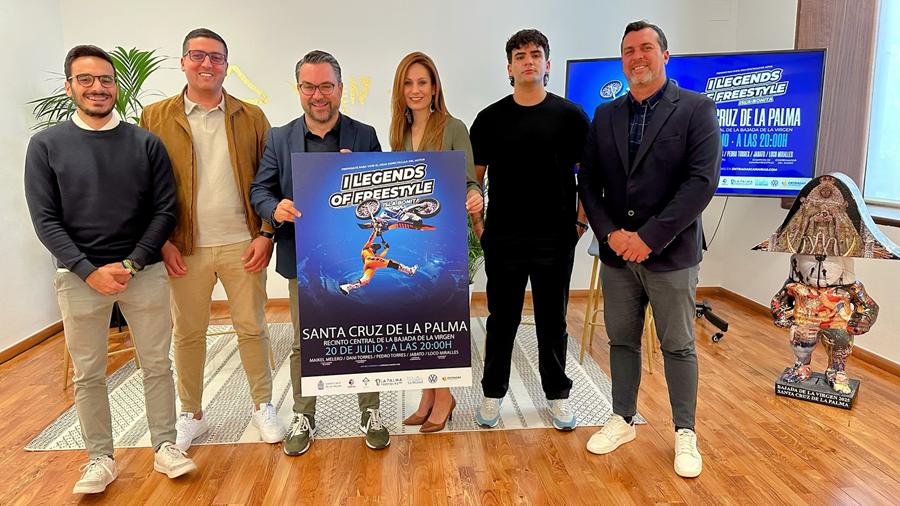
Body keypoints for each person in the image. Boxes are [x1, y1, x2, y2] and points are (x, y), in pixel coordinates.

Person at [24, 45, 196, 495]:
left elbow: (165, 210)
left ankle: (165, 445)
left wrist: (132, 262)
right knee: (88, 373)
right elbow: (45, 219)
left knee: (157, 364)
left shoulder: (145, 143)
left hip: (144, 272)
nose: (97, 87)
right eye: (86, 79)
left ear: (115, 86)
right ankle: (99, 458)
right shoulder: (46, 146)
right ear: (69, 87)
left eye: (105, 79)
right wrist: (88, 270)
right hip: (79, 278)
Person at [578, 20, 721, 478]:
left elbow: (701, 183)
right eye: (628, 50)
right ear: (622, 60)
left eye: (645, 48)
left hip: (671, 254)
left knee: (677, 345)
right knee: (621, 340)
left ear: (664, 55)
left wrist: (649, 237)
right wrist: (610, 234)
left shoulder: (696, 109)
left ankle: (685, 432)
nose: (637, 57)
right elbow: (589, 183)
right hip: (617, 253)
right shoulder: (606, 115)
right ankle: (622, 419)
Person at [140, 28, 284, 451]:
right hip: (183, 248)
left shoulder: (251, 116)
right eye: (198, 55)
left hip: (244, 243)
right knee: (187, 333)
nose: (207, 64)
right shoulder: (154, 117)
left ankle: (262, 405)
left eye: (216, 57)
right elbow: (143, 186)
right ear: (183, 61)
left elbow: (269, 180)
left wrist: (266, 233)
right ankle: (192, 414)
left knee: (252, 328)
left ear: (226, 65)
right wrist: (162, 241)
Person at [249, 50, 390, 455]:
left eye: (326, 86)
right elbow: (260, 190)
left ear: (340, 89)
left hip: (354, 253)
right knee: (304, 341)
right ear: (298, 90)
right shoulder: (280, 137)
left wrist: (362, 174)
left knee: (364, 334)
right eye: (309, 86)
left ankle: (370, 411)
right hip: (304, 256)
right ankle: (304, 414)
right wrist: (274, 208)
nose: (318, 95)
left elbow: (383, 192)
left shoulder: (364, 135)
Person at [469, 30, 589, 431]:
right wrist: (480, 226)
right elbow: (474, 180)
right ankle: (492, 393)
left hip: (556, 236)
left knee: (552, 320)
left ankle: (557, 394)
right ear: (509, 67)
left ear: (547, 64)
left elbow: (589, 177)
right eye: (520, 56)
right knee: (501, 318)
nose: (528, 61)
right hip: (503, 236)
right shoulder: (489, 119)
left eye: (535, 55)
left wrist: (580, 223)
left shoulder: (571, 116)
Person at [387, 51, 484, 433]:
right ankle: (428, 395)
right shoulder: (398, 133)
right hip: (410, 239)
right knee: (416, 321)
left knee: (440, 321)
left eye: (422, 82)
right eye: (408, 83)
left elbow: (469, 180)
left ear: (434, 87)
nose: (415, 90)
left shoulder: (453, 127)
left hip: (444, 240)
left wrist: (475, 196)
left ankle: (444, 396)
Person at [339, 225, 417, 295]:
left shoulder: (374, 255)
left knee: (365, 280)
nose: (375, 248)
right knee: (391, 262)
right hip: (369, 261)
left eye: (375, 248)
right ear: (371, 246)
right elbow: (370, 240)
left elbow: (381, 258)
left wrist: (386, 249)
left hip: (370, 265)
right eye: (374, 246)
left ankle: (348, 286)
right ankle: (409, 270)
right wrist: (375, 231)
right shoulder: (366, 249)